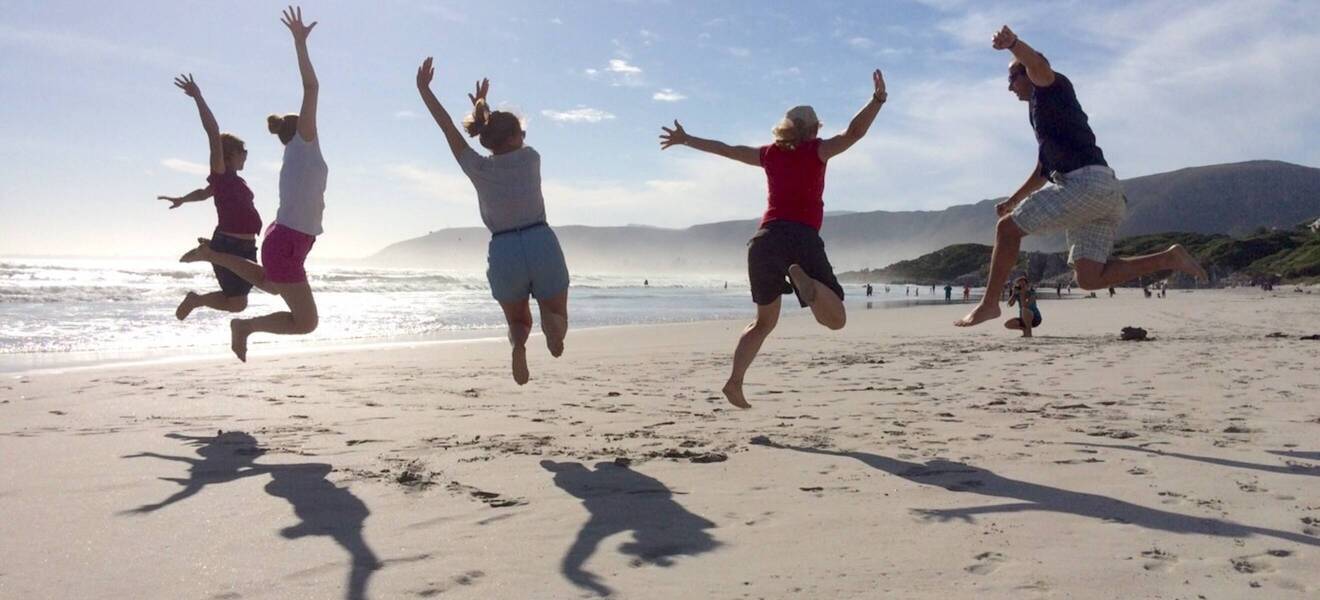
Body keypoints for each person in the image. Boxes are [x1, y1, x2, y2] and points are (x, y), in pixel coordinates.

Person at [659, 69, 887, 408]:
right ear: (812, 130)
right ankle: (808, 285)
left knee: (763, 323)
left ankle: (734, 383)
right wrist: (877, 100)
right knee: (835, 318)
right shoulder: (817, 151)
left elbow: (728, 149)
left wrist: (686, 138)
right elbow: (854, 132)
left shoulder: (769, 154)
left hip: (764, 241)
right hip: (802, 238)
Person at [955, 25, 1206, 328]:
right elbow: (1042, 169)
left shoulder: (1051, 85)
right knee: (1088, 277)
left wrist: (1013, 44)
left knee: (1007, 230)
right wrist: (1014, 200)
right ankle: (1168, 259)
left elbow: (1038, 64)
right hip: (1105, 192)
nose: (1009, 87)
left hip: (1085, 185)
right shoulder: (1040, 111)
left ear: (1026, 74)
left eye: (1012, 78)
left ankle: (989, 304)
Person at [180, 6, 325, 362]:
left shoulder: (296, 155)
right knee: (306, 323)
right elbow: (311, 86)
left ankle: (215, 260)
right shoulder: (305, 145)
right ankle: (245, 327)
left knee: (272, 285)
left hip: (289, 239)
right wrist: (300, 43)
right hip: (288, 240)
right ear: (302, 128)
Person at [415, 58, 569, 385]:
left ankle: (519, 343)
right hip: (540, 240)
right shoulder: (531, 159)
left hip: (504, 249)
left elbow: (448, 128)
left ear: (486, 140)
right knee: (555, 312)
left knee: (518, 320)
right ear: (518, 136)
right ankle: (554, 330)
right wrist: (483, 112)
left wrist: (425, 91)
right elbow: (504, 136)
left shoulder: (478, 168)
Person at [160, 75, 262, 321]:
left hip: (247, 247)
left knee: (239, 304)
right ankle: (210, 253)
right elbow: (213, 133)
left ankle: (199, 293)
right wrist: (198, 97)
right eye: (243, 152)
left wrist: (183, 198)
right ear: (229, 156)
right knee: (238, 304)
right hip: (231, 245)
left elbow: (205, 194)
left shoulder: (234, 181)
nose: (246, 156)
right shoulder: (221, 173)